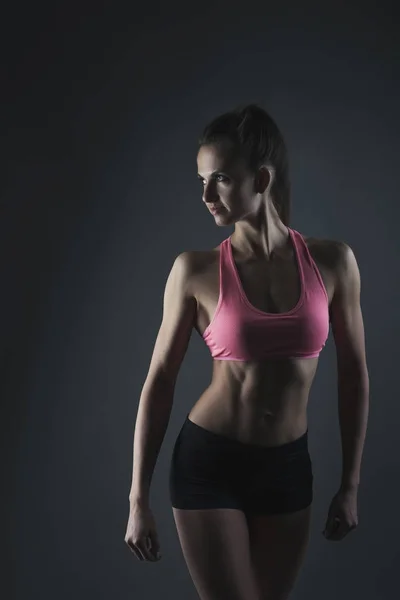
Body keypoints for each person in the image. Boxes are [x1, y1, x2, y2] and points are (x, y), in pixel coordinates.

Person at [124, 104, 369, 600]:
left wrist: (350, 485)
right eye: (201, 180)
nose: (205, 195)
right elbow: (160, 381)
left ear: (261, 177)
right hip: (210, 462)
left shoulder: (334, 263)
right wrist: (137, 499)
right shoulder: (193, 271)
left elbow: (354, 376)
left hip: (287, 468)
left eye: (220, 179)